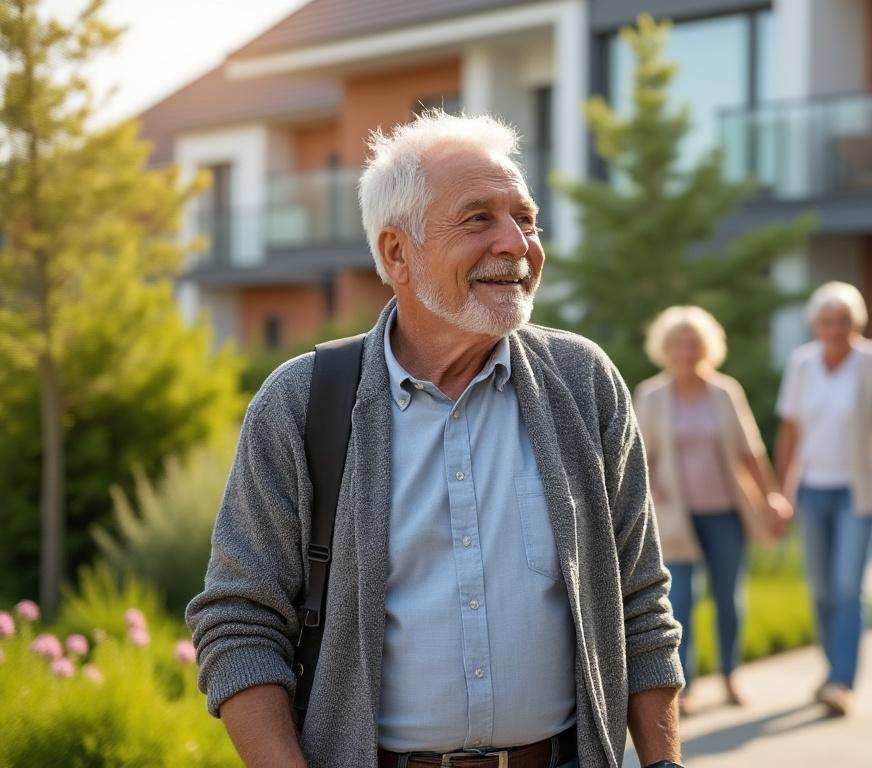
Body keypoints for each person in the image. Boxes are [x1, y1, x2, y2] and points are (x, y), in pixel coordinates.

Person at [186, 112, 686, 768]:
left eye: (526, 218)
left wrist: (663, 762)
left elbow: (639, 599)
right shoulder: (303, 403)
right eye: (478, 219)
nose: (517, 244)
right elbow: (238, 625)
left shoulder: (582, 383)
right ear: (397, 253)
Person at [774, 281, 872, 717]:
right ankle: (832, 670)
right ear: (815, 324)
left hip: (858, 492)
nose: (835, 328)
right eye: (827, 321)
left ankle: (843, 681)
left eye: (843, 321)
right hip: (811, 490)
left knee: (847, 586)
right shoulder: (802, 363)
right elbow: (790, 431)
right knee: (822, 590)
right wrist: (781, 492)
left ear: (857, 323)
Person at [634, 306, 792, 717]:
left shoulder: (724, 391)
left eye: (693, 344)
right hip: (673, 518)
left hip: (725, 513)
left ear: (706, 348)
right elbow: (634, 459)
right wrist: (653, 488)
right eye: (677, 345)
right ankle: (683, 686)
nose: (685, 352)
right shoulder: (651, 395)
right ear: (664, 349)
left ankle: (731, 674)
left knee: (728, 598)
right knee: (679, 602)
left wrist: (772, 495)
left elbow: (751, 451)